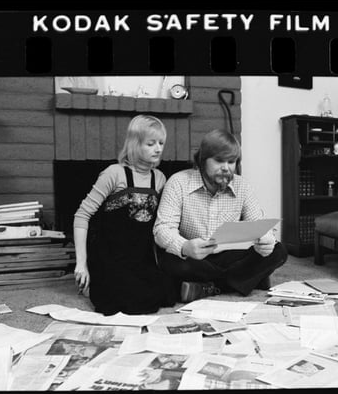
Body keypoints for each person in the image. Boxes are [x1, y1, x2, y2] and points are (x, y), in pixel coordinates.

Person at [153, 129, 288, 303]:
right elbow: (162, 229)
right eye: (218, 161)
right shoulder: (178, 182)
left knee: (278, 251)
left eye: (231, 162)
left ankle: (209, 287)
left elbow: (259, 224)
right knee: (168, 259)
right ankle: (243, 280)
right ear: (203, 160)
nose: (226, 168)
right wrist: (185, 246)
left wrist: (266, 241)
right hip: (193, 257)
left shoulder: (242, 186)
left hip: (226, 255)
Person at [73, 115, 178, 315]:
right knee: (128, 303)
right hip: (111, 257)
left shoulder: (160, 178)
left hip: (141, 258)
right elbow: (81, 216)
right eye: (151, 143)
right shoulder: (114, 173)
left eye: (161, 143)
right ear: (134, 144)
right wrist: (81, 263)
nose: (158, 148)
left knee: (167, 295)